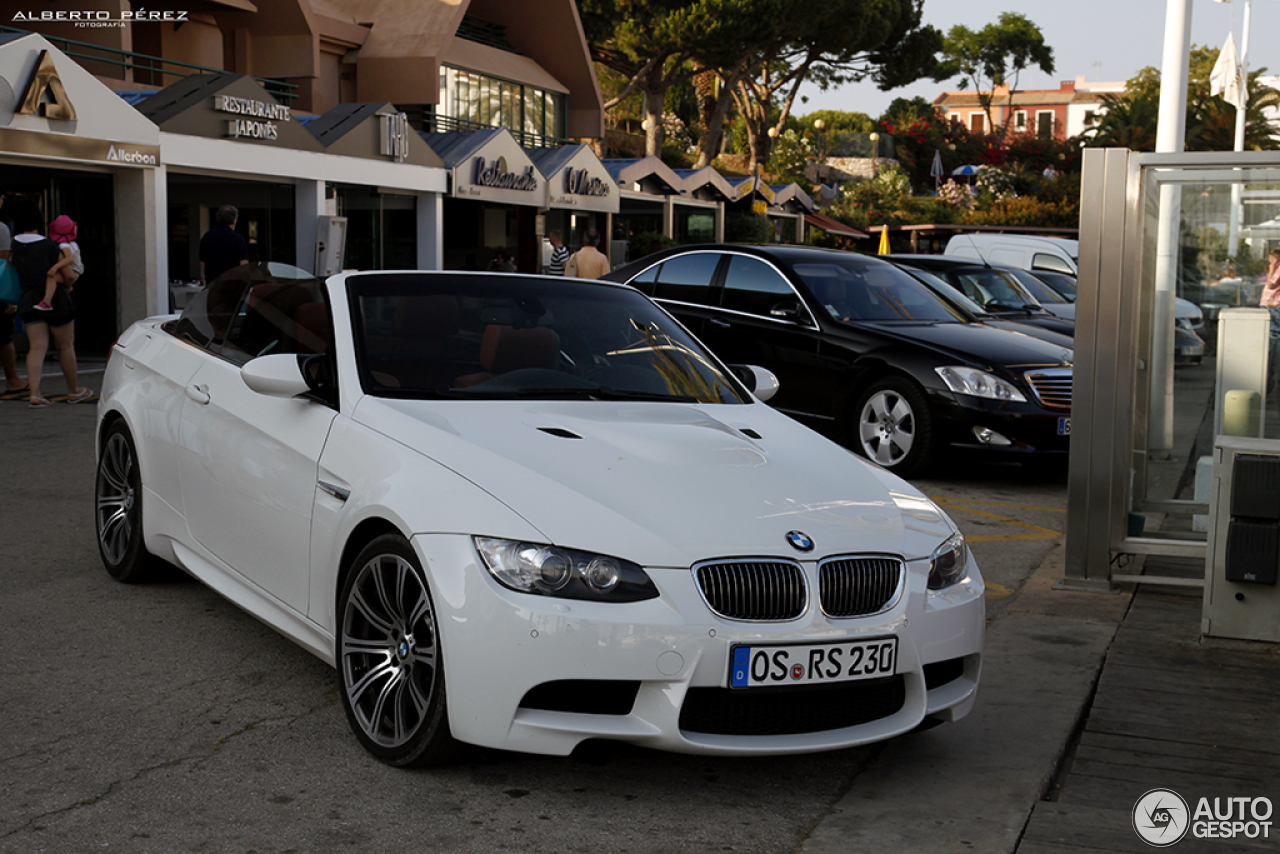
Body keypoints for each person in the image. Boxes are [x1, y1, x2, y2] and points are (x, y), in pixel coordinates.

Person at [10, 202, 90, 407]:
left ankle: (35, 392)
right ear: (39, 221)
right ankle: (74, 391)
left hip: (28, 300)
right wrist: (69, 282)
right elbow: (69, 276)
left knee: (36, 348)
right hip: (57, 301)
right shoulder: (49, 246)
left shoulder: (14, 245)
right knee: (65, 346)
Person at [0, 193, 27, 394]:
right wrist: (8, 298)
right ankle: (13, 380)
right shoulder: (1, 228)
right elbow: (3, 262)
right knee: (4, 338)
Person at [199, 205, 249, 283]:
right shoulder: (238, 238)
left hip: (213, 283)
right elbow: (243, 264)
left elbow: (202, 262)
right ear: (234, 220)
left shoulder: (207, 236)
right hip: (232, 283)